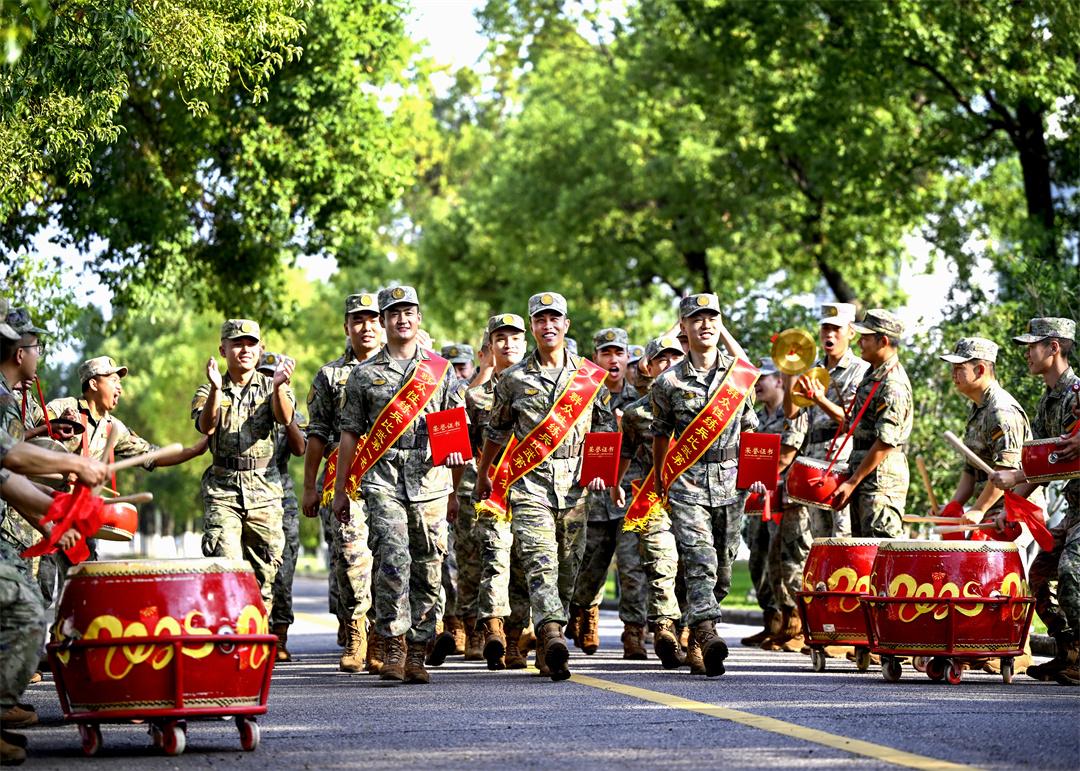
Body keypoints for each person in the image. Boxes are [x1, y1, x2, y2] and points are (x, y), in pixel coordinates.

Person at [474, 292, 615, 681]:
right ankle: (552, 633)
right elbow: (496, 432)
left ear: (566, 325)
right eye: (540, 319)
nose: (547, 325)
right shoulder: (514, 379)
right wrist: (484, 474)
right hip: (529, 486)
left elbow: (606, 429)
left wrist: (602, 471)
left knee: (568, 569)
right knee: (539, 562)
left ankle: (547, 642)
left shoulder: (590, 377)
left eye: (554, 318)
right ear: (533, 327)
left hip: (576, 487)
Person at [333, 286, 466, 685]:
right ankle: (393, 644)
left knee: (429, 565)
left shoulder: (440, 371)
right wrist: (340, 490)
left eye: (408, 312)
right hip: (383, 480)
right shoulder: (363, 375)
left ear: (418, 318)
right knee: (392, 560)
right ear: (384, 321)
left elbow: (454, 426)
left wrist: (454, 488)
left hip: (431, 480)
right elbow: (349, 435)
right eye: (393, 313)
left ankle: (419, 650)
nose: (402, 319)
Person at [650, 294, 759, 677]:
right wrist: (662, 477)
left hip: (731, 482)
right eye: (696, 318)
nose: (706, 324)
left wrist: (757, 474)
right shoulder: (668, 382)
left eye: (712, 316)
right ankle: (709, 632)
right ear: (683, 326)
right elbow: (660, 434)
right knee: (699, 561)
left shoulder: (739, 376)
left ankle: (693, 636)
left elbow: (750, 429)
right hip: (688, 482)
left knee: (723, 570)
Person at [991, 317, 1079, 686]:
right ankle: (1070, 652)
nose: (1027, 353)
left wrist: (1015, 478)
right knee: (1039, 573)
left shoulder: (1077, 394)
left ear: (1053, 347)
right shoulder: (1047, 402)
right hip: (1075, 509)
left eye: (1032, 346)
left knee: (1071, 573)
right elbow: (1039, 467)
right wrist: (1008, 503)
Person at [192, 318, 297, 611]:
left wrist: (279, 388)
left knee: (265, 574)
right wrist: (216, 390)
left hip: (264, 490)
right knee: (224, 565)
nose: (245, 350)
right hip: (223, 491)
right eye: (237, 344)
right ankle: (230, 630)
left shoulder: (272, 385)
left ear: (260, 349)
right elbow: (206, 426)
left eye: (251, 344)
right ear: (223, 350)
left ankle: (258, 630)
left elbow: (285, 417)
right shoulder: (208, 390)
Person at [302, 293, 381, 673]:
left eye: (372, 319)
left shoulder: (411, 371)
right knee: (350, 557)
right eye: (358, 320)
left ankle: (385, 636)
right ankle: (355, 631)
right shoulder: (330, 375)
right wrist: (310, 487)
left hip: (395, 476)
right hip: (344, 477)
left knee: (391, 557)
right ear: (346, 327)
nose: (366, 327)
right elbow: (316, 432)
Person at [569, 327, 648, 659]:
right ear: (595, 358)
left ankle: (634, 633)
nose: (613, 359)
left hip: (631, 493)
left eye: (619, 353)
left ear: (628, 357)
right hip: (595, 494)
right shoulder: (583, 396)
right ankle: (585, 611)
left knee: (632, 566)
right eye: (606, 353)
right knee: (589, 566)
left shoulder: (641, 399)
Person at [617, 334, 687, 668]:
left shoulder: (703, 403)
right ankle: (663, 628)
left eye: (676, 357)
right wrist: (616, 483)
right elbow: (626, 451)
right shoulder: (636, 412)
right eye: (662, 359)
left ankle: (691, 632)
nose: (669, 364)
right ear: (650, 366)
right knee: (660, 562)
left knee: (694, 567)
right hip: (654, 498)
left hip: (696, 497)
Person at [470, 314, 531, 670]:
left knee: (523, 566)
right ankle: (493, 628)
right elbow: (459, 445)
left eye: (515, 337)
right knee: (495, 559)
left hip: (531, 491)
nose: (508, 344)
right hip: (491, 492)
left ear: (525, 343)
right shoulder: (476, 396)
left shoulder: (540, 389)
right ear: (490, 347)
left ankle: (515, 637)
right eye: (500, 338)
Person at [783, 303, 870, 537]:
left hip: (841, 458)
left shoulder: (860, 370)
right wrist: (789, 373)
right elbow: (792, 413)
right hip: (813, 458)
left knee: (842, 532)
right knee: (819, 535)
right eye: (825, 328)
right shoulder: (813, 368)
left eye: (836, 329)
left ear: (851, 332)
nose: (829, 335)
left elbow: (852, 421)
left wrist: (820, 399)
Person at [831, 310, 913, 538]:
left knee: (879, 549)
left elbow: (886, 441)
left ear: (883, 341)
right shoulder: (873, 374)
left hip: (881, 482)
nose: (859, 343)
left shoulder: (893, 384)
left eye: (865, 338)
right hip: (866, 476)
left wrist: (853, 482)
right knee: (861, 551)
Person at [257, 353, 306, 662]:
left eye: (271, 375)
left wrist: (286, 417)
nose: (267, 380)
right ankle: (256, 632)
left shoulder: (289, 406)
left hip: (281, 491)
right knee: (254, 569)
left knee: (284, 568)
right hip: (248, 487)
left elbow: (300, 448)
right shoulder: (245, 409)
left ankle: (280, 636)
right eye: (263, 375)